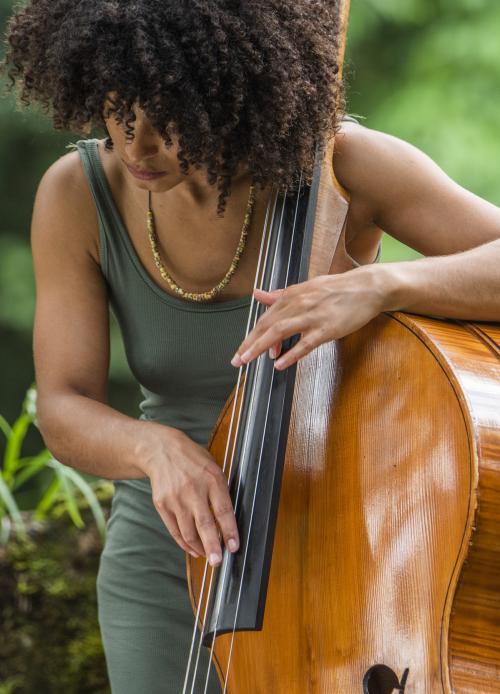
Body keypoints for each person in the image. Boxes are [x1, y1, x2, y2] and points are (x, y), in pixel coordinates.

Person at [2, 1, 500, 692]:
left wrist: (384, 285)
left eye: (167, 117)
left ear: (225, 89)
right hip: (171, 545)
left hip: (338, 539)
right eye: (117, 108)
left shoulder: (345, 165)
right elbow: (63, 404)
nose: (137, 143)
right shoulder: (78, 194)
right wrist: (154, 448)